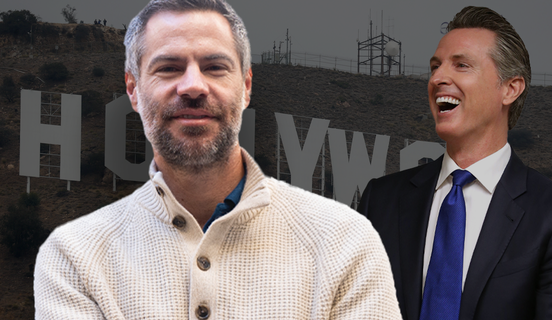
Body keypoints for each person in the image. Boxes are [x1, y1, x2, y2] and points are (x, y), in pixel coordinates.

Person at [34, 0, 401, 319]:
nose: (193, 86)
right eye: (169, 67)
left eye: (214, 67)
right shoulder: (75, 256)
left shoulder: (344, 242)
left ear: (246, 87)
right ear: (133, 89)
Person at [358, 6, 552, 320]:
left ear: (510, 89)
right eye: (436, 66)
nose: (437, 78)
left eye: (461, 65)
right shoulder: (381, 200)